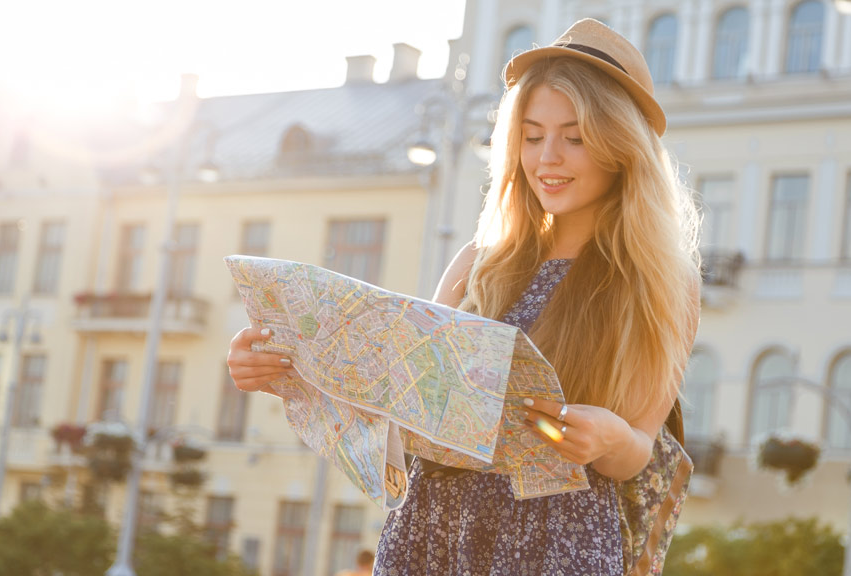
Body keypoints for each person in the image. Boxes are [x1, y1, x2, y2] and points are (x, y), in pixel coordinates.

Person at [228, 18, 700, 575]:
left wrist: (610, 438)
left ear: (621, 148)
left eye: (575, 137)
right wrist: (284, 368)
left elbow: (640, 451)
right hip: (431, 526)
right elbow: (407, 409)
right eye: (531, 135)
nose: (548, 156)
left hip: (557, 538)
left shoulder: (659, 284)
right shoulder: (479, 262)